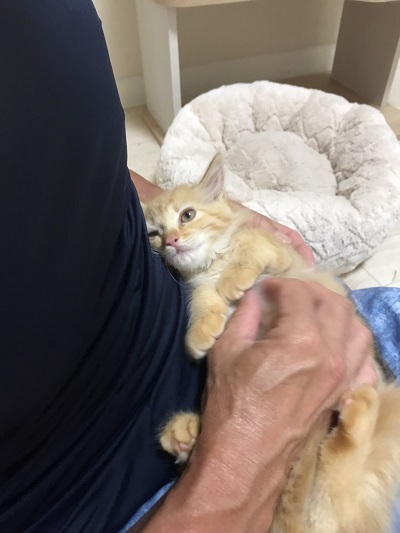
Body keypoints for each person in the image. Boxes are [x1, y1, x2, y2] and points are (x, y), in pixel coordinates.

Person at [0, 2, 397, 532]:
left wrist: (169, 206)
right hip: (136, 499)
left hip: (238, 357)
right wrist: (235, 471)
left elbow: (60, 153)